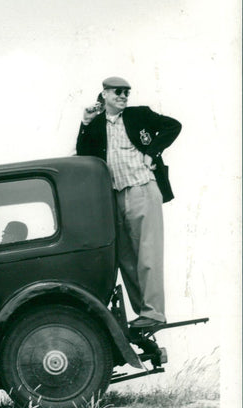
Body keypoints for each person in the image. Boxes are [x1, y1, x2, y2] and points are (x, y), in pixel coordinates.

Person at [76, 76, 181, 328]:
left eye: (127, 92)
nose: (124, 96)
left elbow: (173, 126)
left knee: (148, 254)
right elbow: (83, 153)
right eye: (118, 92)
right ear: (104, 94)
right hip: (114, 196)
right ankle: (144, 314)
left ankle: (154, 312)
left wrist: (151, 151)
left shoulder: (139, 115)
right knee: (125, 258)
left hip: (142, 189)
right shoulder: (97, 123)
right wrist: (84, 123)